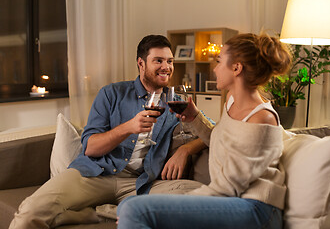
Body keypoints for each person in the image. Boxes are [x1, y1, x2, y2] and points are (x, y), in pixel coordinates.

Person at [9, 35, 206, 229]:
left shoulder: (174, 101)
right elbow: (90, 148)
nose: (167, 67)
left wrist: (185, 150)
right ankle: (108, 212)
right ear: (141, 63)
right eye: (159, 61)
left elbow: (212, 130)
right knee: (31, 212)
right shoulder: (111, 93)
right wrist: (128, 127)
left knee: (201, 196)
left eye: (170, 61)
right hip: (95, 174)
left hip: (142, 183)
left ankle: (95, 214)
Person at [116, 32, 292, 229]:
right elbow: (219, 140)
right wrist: (194, 118)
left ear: (236, 68)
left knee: (135, 209)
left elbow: (229, 185)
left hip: (256, 208)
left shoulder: (262, 118)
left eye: (219, 61)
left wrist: (183, 201)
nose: (215, 69)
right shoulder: (232, 103)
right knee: (126, 205)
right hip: (233, 199)